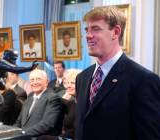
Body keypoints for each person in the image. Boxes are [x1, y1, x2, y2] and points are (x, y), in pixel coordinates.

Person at [75, 6, 160, 140]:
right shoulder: (82, 78)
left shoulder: (143, 80)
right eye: (87, 30)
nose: (88, 35)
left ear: (115, 32)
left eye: (96, 29)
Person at [15, 69, 63, 138]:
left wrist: (23, 133)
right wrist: (11, 132)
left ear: (46, 82)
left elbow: (47, 124)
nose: (35, 82)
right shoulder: (30, 96)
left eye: (38, 79)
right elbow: (18, 122)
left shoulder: (53, 98)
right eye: (32, 80)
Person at [38, 69, 80, 140]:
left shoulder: (84, 103)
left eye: (72, 83)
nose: (68, 86)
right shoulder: (70, 103)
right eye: (67, 83)